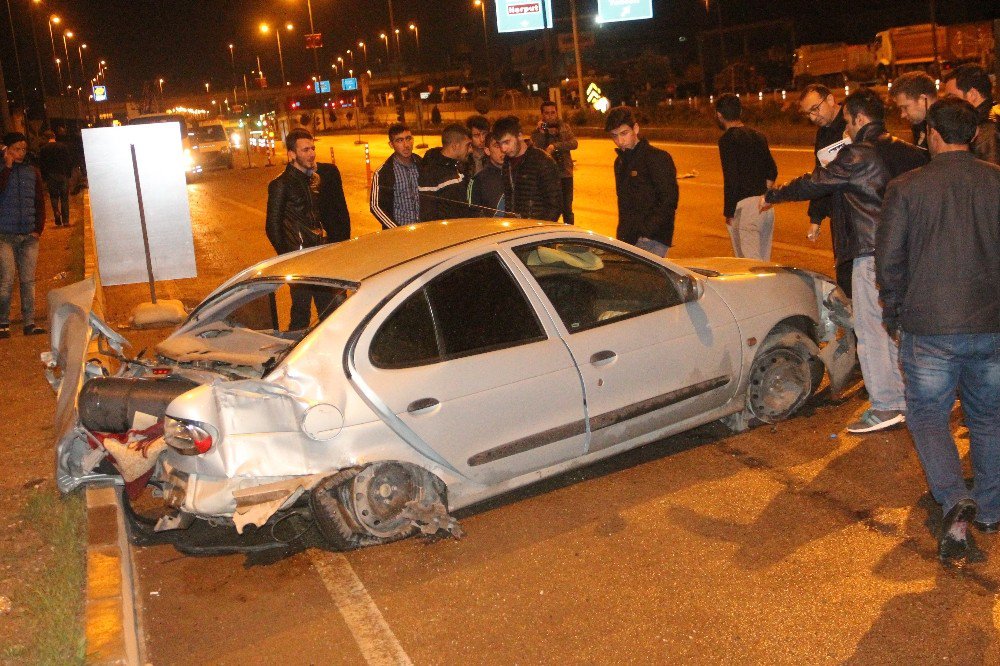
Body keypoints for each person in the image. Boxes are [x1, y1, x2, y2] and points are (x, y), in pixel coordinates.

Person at [876, 98, 1000, 562]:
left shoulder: (906, 188)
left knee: (928, 417)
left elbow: (889, 263)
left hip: (929, 327)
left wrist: (895, 314)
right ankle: (989, 507)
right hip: (992, 325)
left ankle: (954, 498)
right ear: (970, 135)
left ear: (930, 133)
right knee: (989, 417)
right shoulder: (996, 182)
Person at [764, 88, 927, 434]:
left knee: (871, 330)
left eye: (849, 122)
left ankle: (886, 405)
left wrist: (774, 194)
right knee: (905, 328)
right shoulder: (910, 151)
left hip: (871, 253)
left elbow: (814, 183)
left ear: (858, 119)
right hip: (909, 252)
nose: (846, 129)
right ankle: (913, 399)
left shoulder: (858, 154)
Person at [265, 128, 351, 330]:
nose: (311, 154)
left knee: (329, 312)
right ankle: (292, 357)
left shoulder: (313, 179)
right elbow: (272, 226)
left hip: (320, 255)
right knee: (301, 314)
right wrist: (288, 257)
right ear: (292, 154)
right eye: (305, 150)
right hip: (299, 260)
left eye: (312, 148)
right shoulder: (280, 185)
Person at [604, 106, 678, 257]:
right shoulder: (620, 162)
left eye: (624, 133)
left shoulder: (657, 158)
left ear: (635, 129)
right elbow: (624, 202)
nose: (620, 141)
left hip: (653, 238)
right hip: (629, 238)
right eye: (615, 136)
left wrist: (646, 232)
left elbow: (669, 199)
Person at [798, 84, 850, 294]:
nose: (812, 117)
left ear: (830, 99)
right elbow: (820, 174)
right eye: (808, 113)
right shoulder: (823, 133)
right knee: (844, 270)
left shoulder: (852, 121)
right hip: (839, 211)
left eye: (815, 108)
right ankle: (853, 322)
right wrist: (816, 217)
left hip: (861, 210)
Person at [714, 93, 778, 260]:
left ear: (719, 115)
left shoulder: (727, 140)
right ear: (740, 111)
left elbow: (732, 178)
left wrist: (729, 212)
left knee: (747, 267)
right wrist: (764, 192)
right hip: (765, 206)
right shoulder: (758, 136)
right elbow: (772, 170)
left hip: (745, 208)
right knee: (764, 264)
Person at [0, 132, 47, 339]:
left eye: (23, 149)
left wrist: (38, 228)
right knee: (7, 279)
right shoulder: (2, 170)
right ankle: (3, 323)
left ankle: (29, 323)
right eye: (15, 149)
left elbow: (39, 201)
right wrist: (7, 168)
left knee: (28, 281)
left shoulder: (32, 171)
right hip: (4, 235)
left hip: (29, 235)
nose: (20, 153)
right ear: (6, 150)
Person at [492, 115, 562, 221]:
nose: (503, 149)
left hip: (537, 232)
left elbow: (555, 205)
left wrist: (538, 231)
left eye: (507, 142)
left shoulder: (542, 161)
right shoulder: (507, 164)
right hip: (516, 229)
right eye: (499, 144)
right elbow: (509, 201)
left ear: (519, 136)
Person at [530, 101, 579, 224]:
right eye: (547, 113)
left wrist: (555, 146)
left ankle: (571, 235)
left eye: (553, 112)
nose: (550, 116)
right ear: (542, 115)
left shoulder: (564, 127)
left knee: (567, 209)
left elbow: (574, 143)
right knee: (552, 209)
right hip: (548, 176)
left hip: (565, 173)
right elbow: (535, 148)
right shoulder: (538, 131)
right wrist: (541, 133)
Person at [942, 64, 999, 165]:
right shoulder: (993, 114)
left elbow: (991, 174)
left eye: (952, 97)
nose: (948, 104)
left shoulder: (987, 128)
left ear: (972, 94)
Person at [370, 123, 422, 229]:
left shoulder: (422, 165)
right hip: (400, 232)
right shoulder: (383, 172)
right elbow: (375, 206)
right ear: (391, 144)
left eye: (408, 139)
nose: (406, 145)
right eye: (399, 140)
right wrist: (396, 229)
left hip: (424, 229)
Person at [418, 123, 473, 221]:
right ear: (455, 146)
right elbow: (428, 214)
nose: (470, 150)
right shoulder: (431, 172)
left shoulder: (458, 166)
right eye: (467, 145)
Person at [890, 70, 937, 150]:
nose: (902, 114)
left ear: (922, 99)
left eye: (905, 107)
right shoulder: (920, 126)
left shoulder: (947, 129)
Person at [38, 129, 73, 227]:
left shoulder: (43, 149)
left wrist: (44, 177)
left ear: (46, 138)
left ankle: (56, 212)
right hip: (63, 175)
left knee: (53, 197)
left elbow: (42, 164)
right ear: (54, 136)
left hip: (50, 176)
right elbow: (69, 161)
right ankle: (66, 221)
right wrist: (68, 174)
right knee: (64, 198)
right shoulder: (63, 147)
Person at [468, 132, 506, 216]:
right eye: (497, 146)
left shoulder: (520, 174)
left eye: (505, 144)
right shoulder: (478, 180)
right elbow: (472, 214)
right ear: (487, 151)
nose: (502, 149)